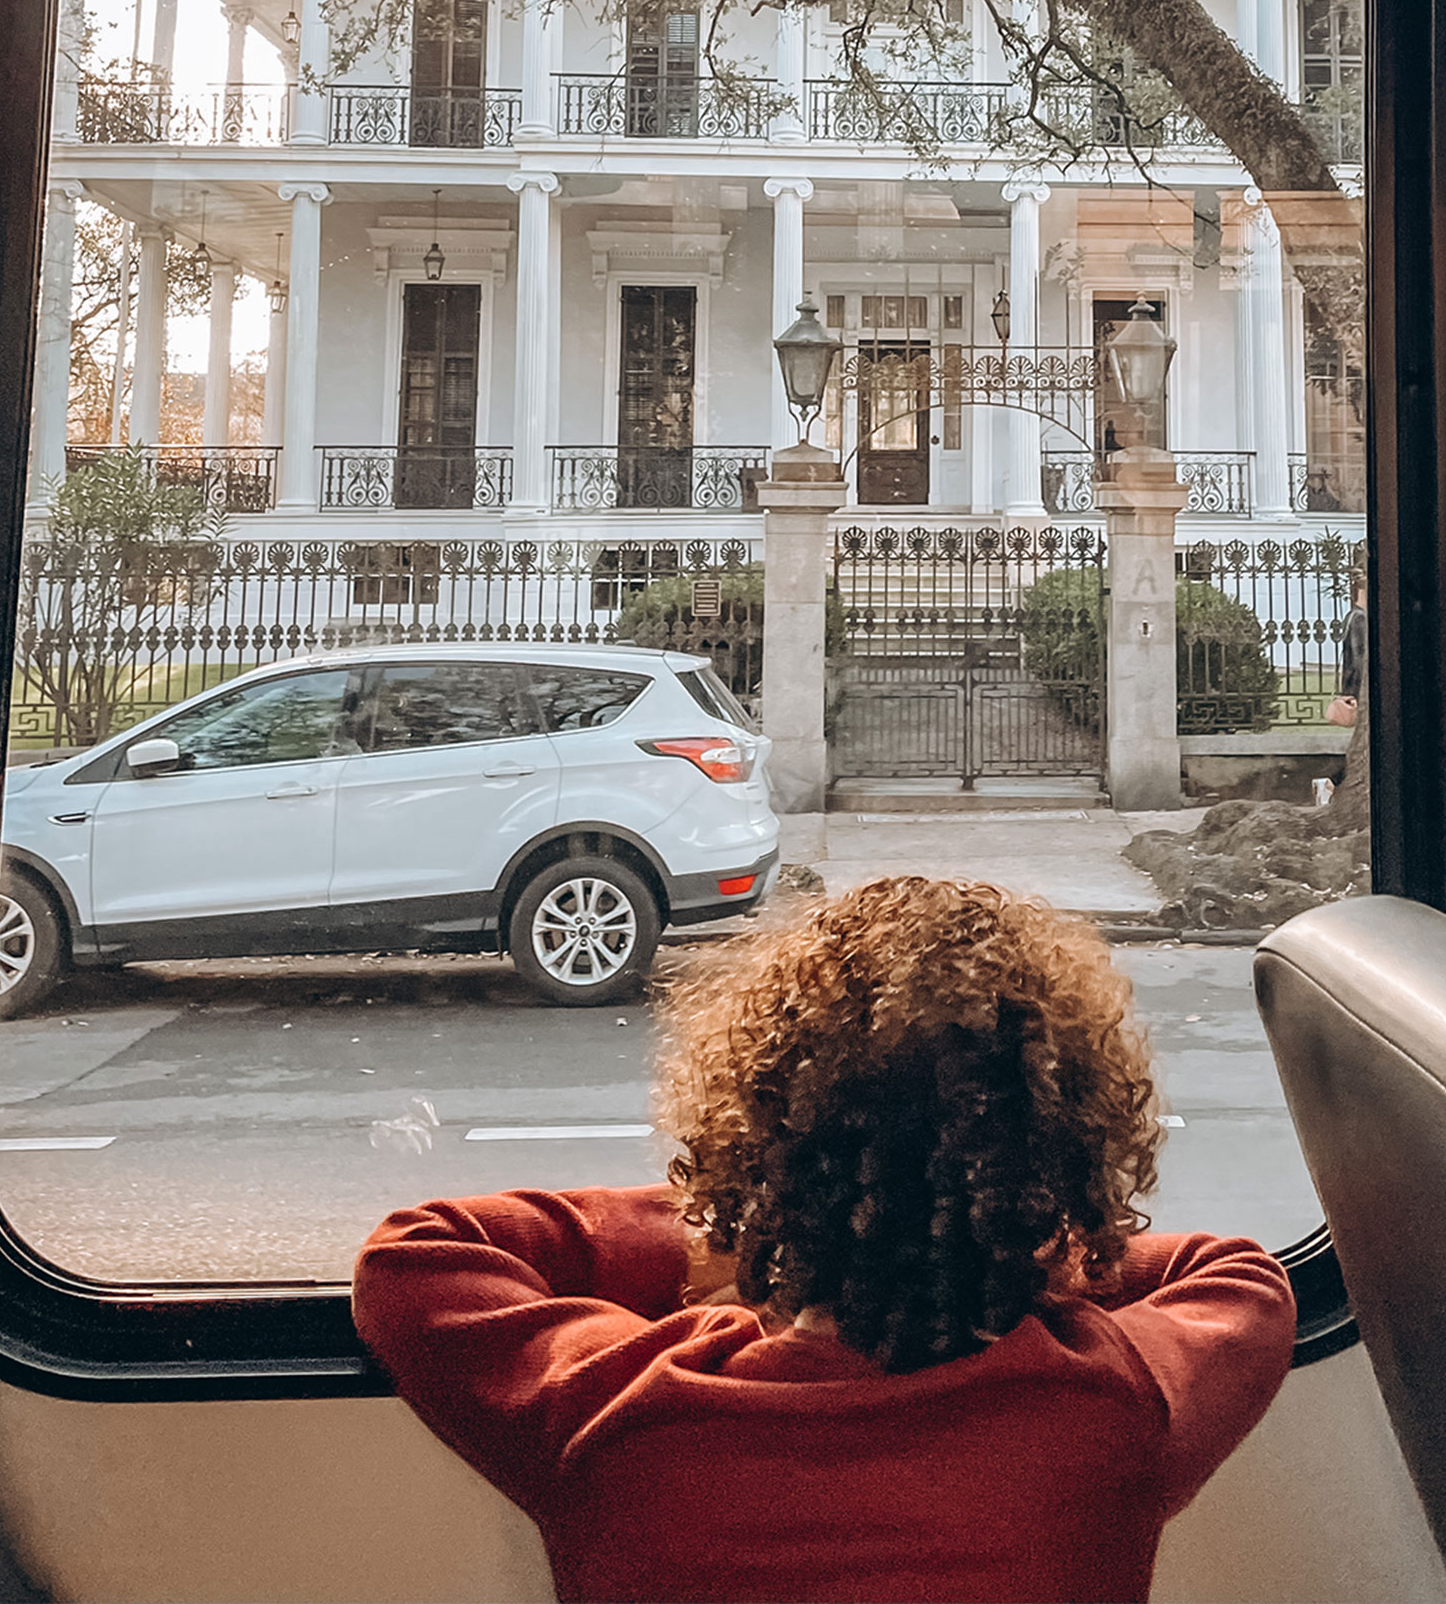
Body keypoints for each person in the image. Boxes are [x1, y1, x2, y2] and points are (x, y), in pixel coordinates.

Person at [353, 876, 1297, 1604]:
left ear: (754, 1149)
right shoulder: (1121, 1401)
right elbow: (1238, 1274)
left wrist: (745, 1220)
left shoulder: (612, 1410)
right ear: (1056, 1167)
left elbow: (414, 1258)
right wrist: (1040, 1237)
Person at [1328, 571, 1368, 727]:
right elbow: (1359, 657)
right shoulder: (1360, 618)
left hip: (1350, 681)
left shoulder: (1351, 615)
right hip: (1357, 684)